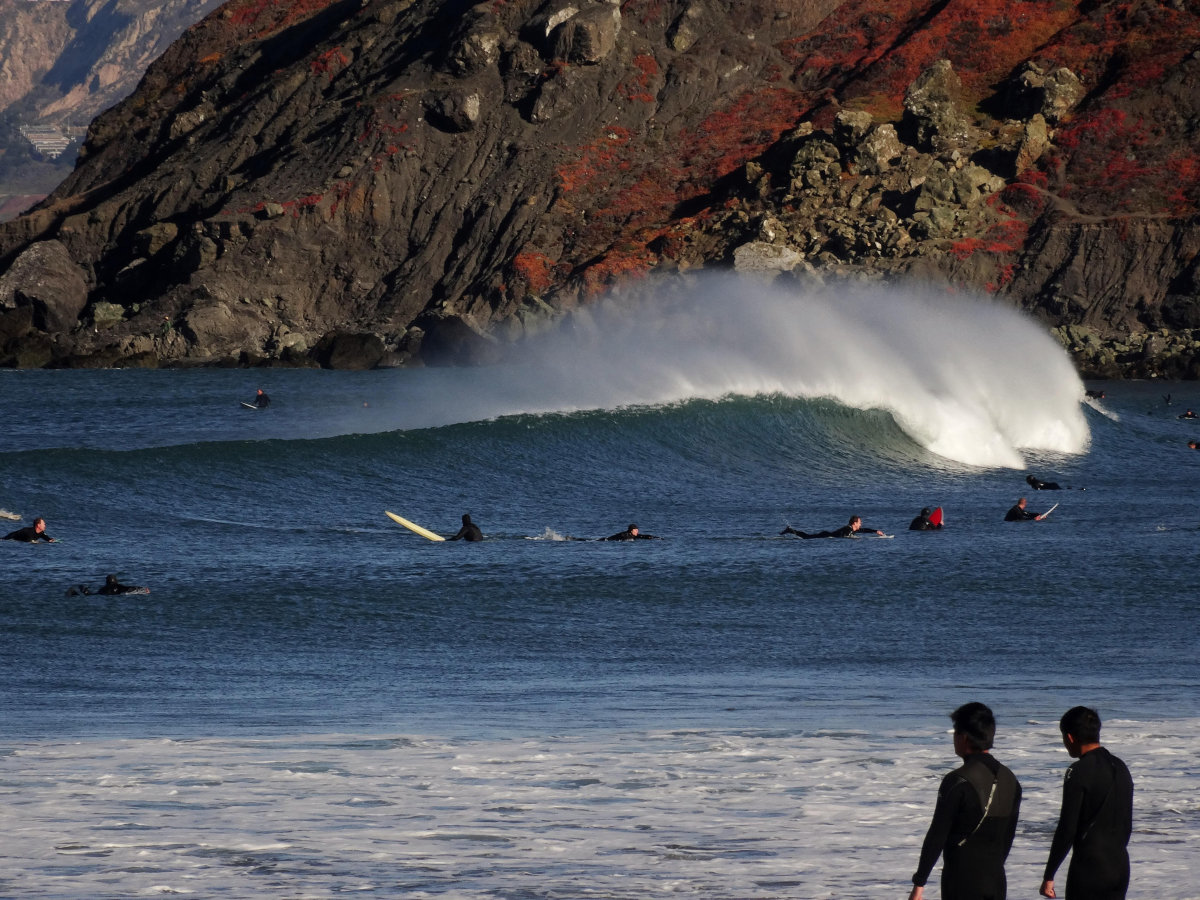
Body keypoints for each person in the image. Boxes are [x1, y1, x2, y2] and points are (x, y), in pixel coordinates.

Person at [909, 702, 1022, 900]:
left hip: (962, 882)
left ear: (963, 737)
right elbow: (1008, 837)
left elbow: (937, 834)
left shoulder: (958, 780)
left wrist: (919, 883)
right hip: (996, 880)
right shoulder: (1011, 780)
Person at [1040, 707, 1134, 900]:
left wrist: (1049, 875)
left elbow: (1067, 828)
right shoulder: (1121, 767)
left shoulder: (1078, 770)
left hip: (1090, 868)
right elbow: (1127, 824)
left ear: (1070, 738)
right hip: (1120, 866)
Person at [782, 514, 883, 538]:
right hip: (825, 535)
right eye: (859, 522)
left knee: (806, 536)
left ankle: (790, 530)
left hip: (826, 534)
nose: (861, 524)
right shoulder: (848, 529)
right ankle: (790, 530)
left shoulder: (853, 529)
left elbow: (864, 530)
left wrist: (875, 531)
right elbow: (846, 536)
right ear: (854, 523)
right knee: (806, 537)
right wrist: (851, 537)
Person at [68, 574, 149, 596]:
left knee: (90, 594)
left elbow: (95, 594)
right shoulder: (118, 586)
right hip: (113, 596)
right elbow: (128, 588)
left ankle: (80, 590)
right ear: (116, 580)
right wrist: (142, 589)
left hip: (99, 595)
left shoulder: (103, 588)